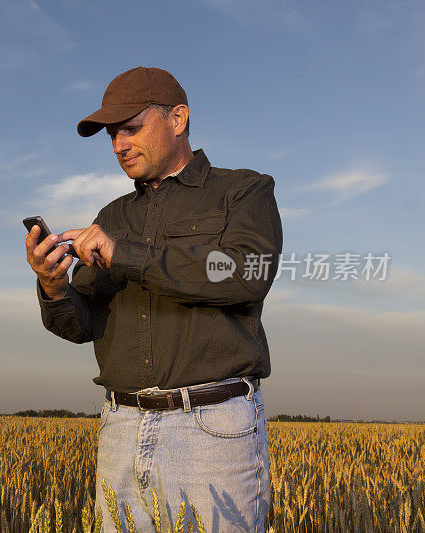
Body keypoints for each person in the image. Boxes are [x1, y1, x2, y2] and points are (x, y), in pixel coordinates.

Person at [25, 67, 283, 532]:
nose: (118, 145)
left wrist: (125, 252)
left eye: (130, 128)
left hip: (212, 431)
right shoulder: (112, 215)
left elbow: (246, 274)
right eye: (111, 135)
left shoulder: (243, 190)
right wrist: (53, 285)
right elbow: (81, 327)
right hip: (120, 429)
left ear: (178, 119)